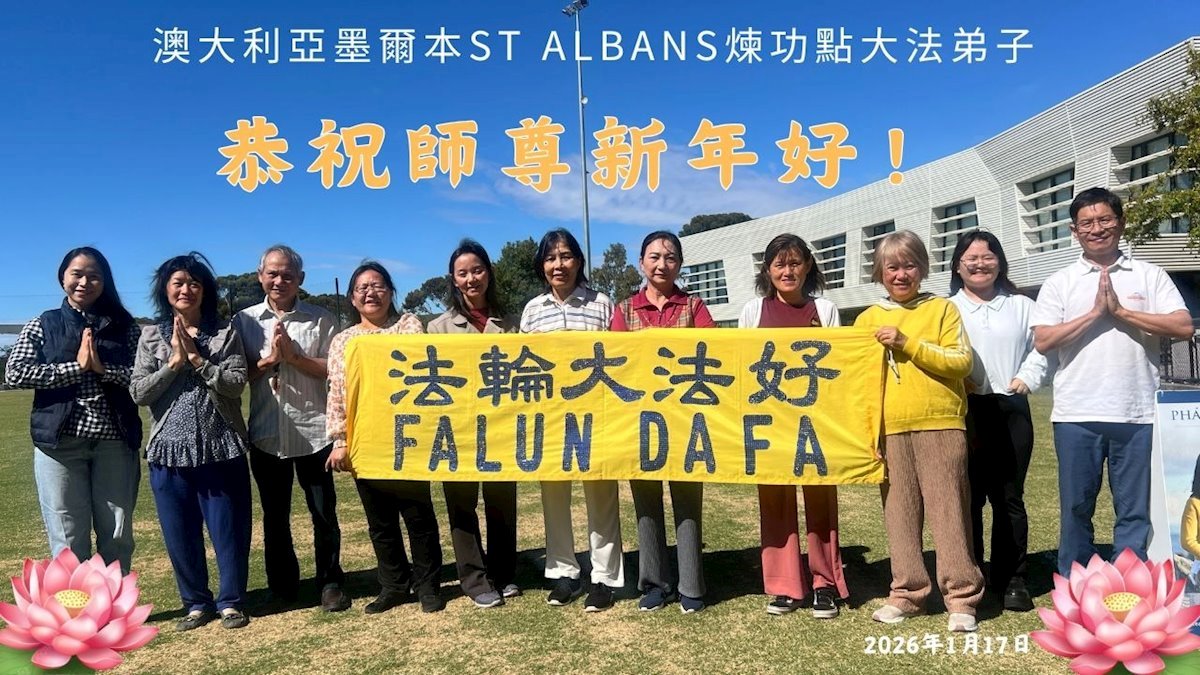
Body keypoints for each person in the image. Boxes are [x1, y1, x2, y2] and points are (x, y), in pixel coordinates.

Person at [1032, 187, 1193, 576]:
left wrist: (1121, 312)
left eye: (1105, 219)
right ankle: (1075, 581)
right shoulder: (1060, 281)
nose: (1097, 228)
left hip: (1136, 411)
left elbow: (1183, 325)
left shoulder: (1149, 275)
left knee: (1134, 508)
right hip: (1076, 413)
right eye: (1086, 223)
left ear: (1120, 223)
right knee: (1076, 506)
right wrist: (1094, 314)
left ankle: (1130, 581)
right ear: (1074, 231)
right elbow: (1043, 339)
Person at [853, 230, 984, 633]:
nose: (901, 274)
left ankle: (962, 597)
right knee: (900, 516)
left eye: (909, 265)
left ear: (922, 268)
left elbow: (961, 362)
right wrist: (867, 435)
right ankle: (907, 594)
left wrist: (906, 342)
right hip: (890, 431)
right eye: (892, 266)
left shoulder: (943, 309)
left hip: (941, 424)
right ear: (880, 272)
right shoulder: (867, 320)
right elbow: (858, 384)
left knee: (950, 514)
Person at [129, 252, 252, 631]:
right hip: (168, 450)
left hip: (221, 445)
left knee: (229, 530)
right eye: (178, 283)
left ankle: (230, 602)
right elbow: (139, 391)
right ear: (165, 290)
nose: (186, 289)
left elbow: (235, 383)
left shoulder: (225, 332)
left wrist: (198, 360)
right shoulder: (150, 335)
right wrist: (174, 363)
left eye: (194, 283)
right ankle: (196, 603)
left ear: (205, 290)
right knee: (179, 533)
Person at [5, 247, 142, 574]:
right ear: (62, 277)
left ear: (105, 282)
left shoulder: (125, 326)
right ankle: (76, 605)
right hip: (59, 446)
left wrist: (103, 369)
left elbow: (142, 377)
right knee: (67, 541)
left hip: (115, 443)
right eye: (77, 274)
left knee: (117, 536)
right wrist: (75, 369)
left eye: (94, 276)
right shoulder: (44, 323)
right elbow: (16, 372)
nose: (84, 282)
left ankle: (115, 604)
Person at [737, 233, 848, 619]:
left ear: (808, 266)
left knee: (821, 502)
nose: (788, 271)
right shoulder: (753, 311)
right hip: (768, 423)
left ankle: (824, 583)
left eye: (795, 263)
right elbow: (743, 365)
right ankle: (784, 585)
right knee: (775, 502)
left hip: (815, 423)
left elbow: (838, 365)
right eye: (780, 264)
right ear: (767, 270)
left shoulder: (825, 310)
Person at [233, 245, 348, 613]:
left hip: (315, 433)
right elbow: (236, 377)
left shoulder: (321, 319)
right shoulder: (244, 321)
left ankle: (330, 582)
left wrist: (295, 358)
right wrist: (269, 361)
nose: (279, 280)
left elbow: (335, 369)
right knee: (275, 516)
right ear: (260, 276)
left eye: (287, 274)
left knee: (323, 514)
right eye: (272, 273)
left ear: (301, 279)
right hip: (267, 433)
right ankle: (283, 585)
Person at [326, 261, 444, 614]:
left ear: (391, 292)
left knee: (418, 517)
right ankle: (393, 585)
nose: (370, 293)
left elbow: (413, 358)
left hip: (408, 436)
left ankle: (428, 585)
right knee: (380, 522)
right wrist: (340, 440)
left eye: (378, 286)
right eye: (362, 288)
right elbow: (337, 393)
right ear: (352, 298)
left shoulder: (408, 325)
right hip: (366, 441)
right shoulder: (343, 341)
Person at [610, 231, 715, 614]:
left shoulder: (695, 306)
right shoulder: (624, 310)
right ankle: (654, 583)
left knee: (687, 503)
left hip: (686, 421)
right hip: (640, 420)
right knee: (645, 503)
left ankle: (691, 585)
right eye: (654, 257)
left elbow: (714, 352)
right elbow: (616, 362)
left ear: (680, 264)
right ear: (641, 263)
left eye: (670, 257)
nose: (662, 264)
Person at [520, 228, 623, 612]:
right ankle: (564, 572)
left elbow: (620, 356)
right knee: (553, 497)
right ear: (542, 265)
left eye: (565, 256)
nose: (558, 265)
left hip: (597, 416)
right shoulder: (533, 310)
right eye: (550, 258)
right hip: (550, 420)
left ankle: (604, 577)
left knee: (602, 496)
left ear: (578, 261)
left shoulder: (602, 304)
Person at [948, 230, 1048, 612]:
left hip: (1010, 407)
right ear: (958, 265)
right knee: (968, 497)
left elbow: (1043, 348)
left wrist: (1027, 377)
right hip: (964, 410)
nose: (979, 264)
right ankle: (970, 576)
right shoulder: (946, 309)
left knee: (1009, 497)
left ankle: (1012, 578)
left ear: (1000, 262)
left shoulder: (1022, 305)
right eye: (971, 258)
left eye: (988, 257)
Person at [426, 239, 520, 609]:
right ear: (453, 279)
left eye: (477, 270)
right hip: (458, 431)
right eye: (462, 273)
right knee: (461, 506)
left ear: (489, 273)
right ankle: (474, 579)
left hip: (501, 427)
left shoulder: (511, 323)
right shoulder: (437, 327)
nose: (471, 279)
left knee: (502, 503)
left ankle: (503, 572)